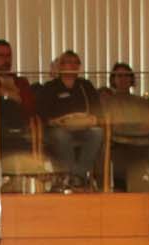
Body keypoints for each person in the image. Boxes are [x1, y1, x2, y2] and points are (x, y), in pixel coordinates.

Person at [35, 50, 104, 192]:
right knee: (61, 136)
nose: (72, 65)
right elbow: (42, 113)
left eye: (75, 63)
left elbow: (97, 111)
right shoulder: (50, 87)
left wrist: (92, 119)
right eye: (68, 62)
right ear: (60, 66)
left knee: (97, 133)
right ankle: (70, 176)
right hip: (57, 129)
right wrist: (56, 121)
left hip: (83, 128)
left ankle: (77, 177)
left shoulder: (85, 86)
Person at [101, 62, 149, 192]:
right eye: (119, 76)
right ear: (113, 79)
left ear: (131, 79)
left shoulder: (143, 102)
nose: (123, 79)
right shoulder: (108, 102)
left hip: (143, 140)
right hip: (117, 140)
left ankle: (143, 190)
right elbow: (108, 125)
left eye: (126, 76)